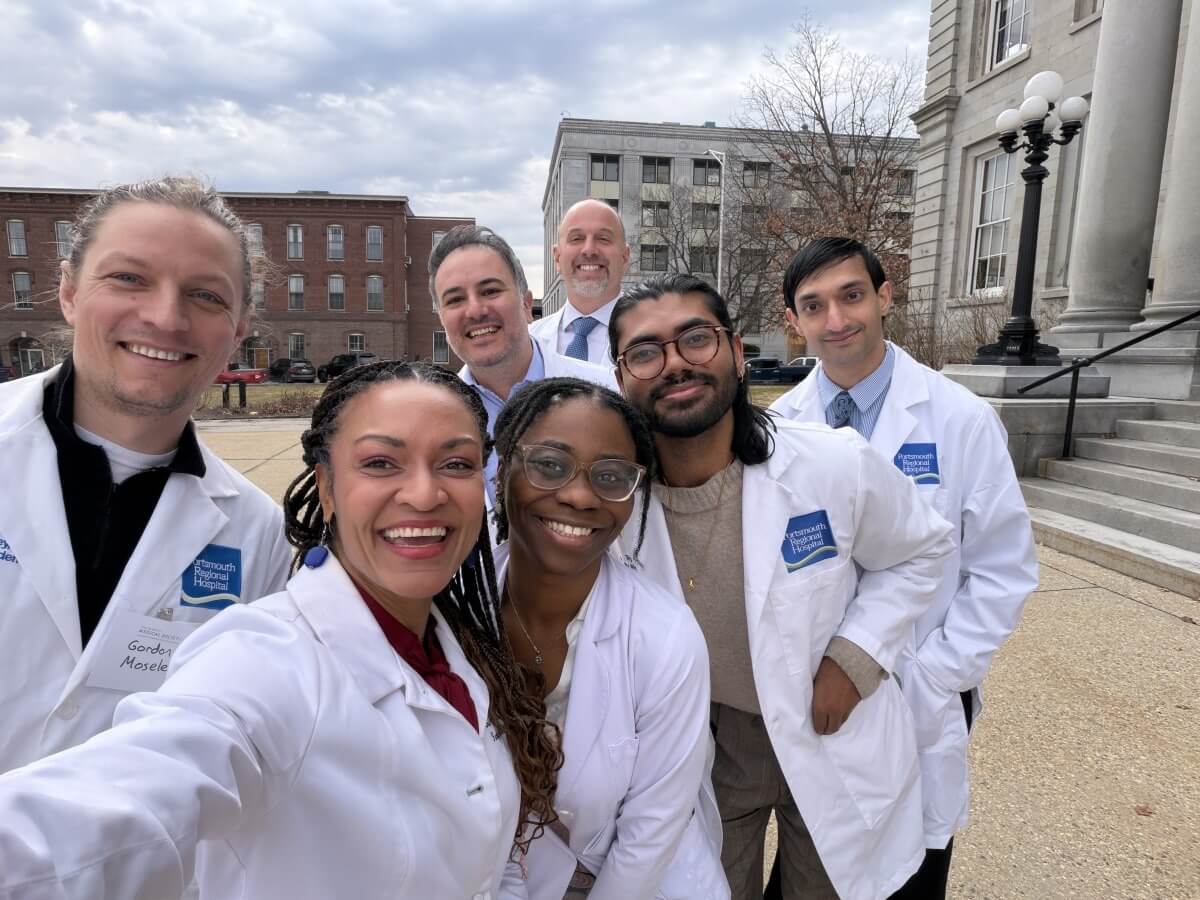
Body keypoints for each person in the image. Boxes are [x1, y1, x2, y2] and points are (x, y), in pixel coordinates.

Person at [0, 361, 562, 899]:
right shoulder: (264, 661)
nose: (424, 494)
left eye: (456, 464)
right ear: (327, 488)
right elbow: (127, 794)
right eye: (380, 463)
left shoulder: (460, 647)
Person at [608, 273, 956, 900]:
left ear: (737, 354)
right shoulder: (613, 509)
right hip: (707, 744)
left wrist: (856, 657)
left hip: (830, 725)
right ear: (620, 378)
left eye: (696, 338)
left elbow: (922, 549)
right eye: (645, 351)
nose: (675, 363)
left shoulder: (831, 462)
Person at [766, 237, 1039, 899]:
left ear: (885, 297)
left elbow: (1002, 568)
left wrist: (939, 673)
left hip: (919, 683)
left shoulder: (961, 420)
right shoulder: (778, 426)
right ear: (793, 321)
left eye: (852, 296)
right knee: (816, 863)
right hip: (820, 697)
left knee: (912, 870)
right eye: (814, 305)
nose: (836, 320)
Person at [0, 176, 291, 777]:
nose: (165, 318)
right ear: (69, 291)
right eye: (129, 278)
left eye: (205, 295)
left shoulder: (256, 532)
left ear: (239, 328)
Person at [491, 377, 728, 900]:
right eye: (549, 464)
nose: (579, 495)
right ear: (503, 469)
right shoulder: (458, 609)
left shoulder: (665, 638)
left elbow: (650, 833)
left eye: (611, 476)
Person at [430, 224, 615, 502]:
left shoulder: (608, 392)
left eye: (490, 291)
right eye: (455, 300)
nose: (476, 311)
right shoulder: (429, 423)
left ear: (527, 304)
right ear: (442, 319)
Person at [531, 199, 631, 366]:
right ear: (557, 257)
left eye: (603, 238)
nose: (589, 250)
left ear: (625, 257)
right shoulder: (530, 341)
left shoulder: (658, 335)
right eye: (576, 238)